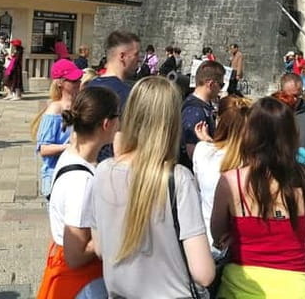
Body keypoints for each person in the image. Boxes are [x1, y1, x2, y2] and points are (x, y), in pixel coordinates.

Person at [90, 76, 215, 297]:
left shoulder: (102, 171)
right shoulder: (179, 179)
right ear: (171, 123)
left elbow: (100, 249)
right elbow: (203, 274)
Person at [211, 97, 305, 298]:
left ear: (250, 134)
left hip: (242, 286)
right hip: (298, 288)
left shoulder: (231, 181)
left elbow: (218, 234)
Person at [36, 86, 120, 299]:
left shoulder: (73, 157)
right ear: (107, 124)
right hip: (81, 285)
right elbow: (76, 255)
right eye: (118, 116)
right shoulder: (82, 181)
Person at [191, 95, 251, 252]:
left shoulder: (202, 150)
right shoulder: (251, 161)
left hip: (206, 242)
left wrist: (208, 142)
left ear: (220, 121)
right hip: (238, 244)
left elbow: (200, 186)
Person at [32, 59, 84, 199]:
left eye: (79, 79)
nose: (78, 83)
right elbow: (44, 149)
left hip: (77, 173)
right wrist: (69, 147)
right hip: (56, 175)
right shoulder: (54, 109)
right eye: (73, 81)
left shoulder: (80, 106)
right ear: (60, 83)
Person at [86, 30, 141, 160]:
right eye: (136, 54)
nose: (139, 60)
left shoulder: (89, 87)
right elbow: (123, 141)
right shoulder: (127, 94)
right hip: (113, 166)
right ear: (122, 56)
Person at [180, 60, 225, 169]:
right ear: (211, 84)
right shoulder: (195, 110)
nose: (221, 89)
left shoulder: (202, 105)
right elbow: (192, 152)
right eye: (221, 85)